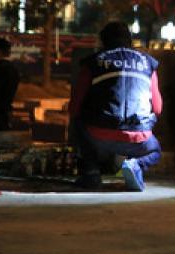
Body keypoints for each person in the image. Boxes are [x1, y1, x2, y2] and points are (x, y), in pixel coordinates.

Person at [69, 21, 162, 191]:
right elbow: (157, 108)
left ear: (103, 40)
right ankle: (135, 164)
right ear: (129, 39)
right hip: (139, 138)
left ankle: (91, 173)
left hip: (97, 135)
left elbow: (74, 106)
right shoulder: (148, 63)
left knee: (78, 120)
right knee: (155, 151)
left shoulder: (93, 62)